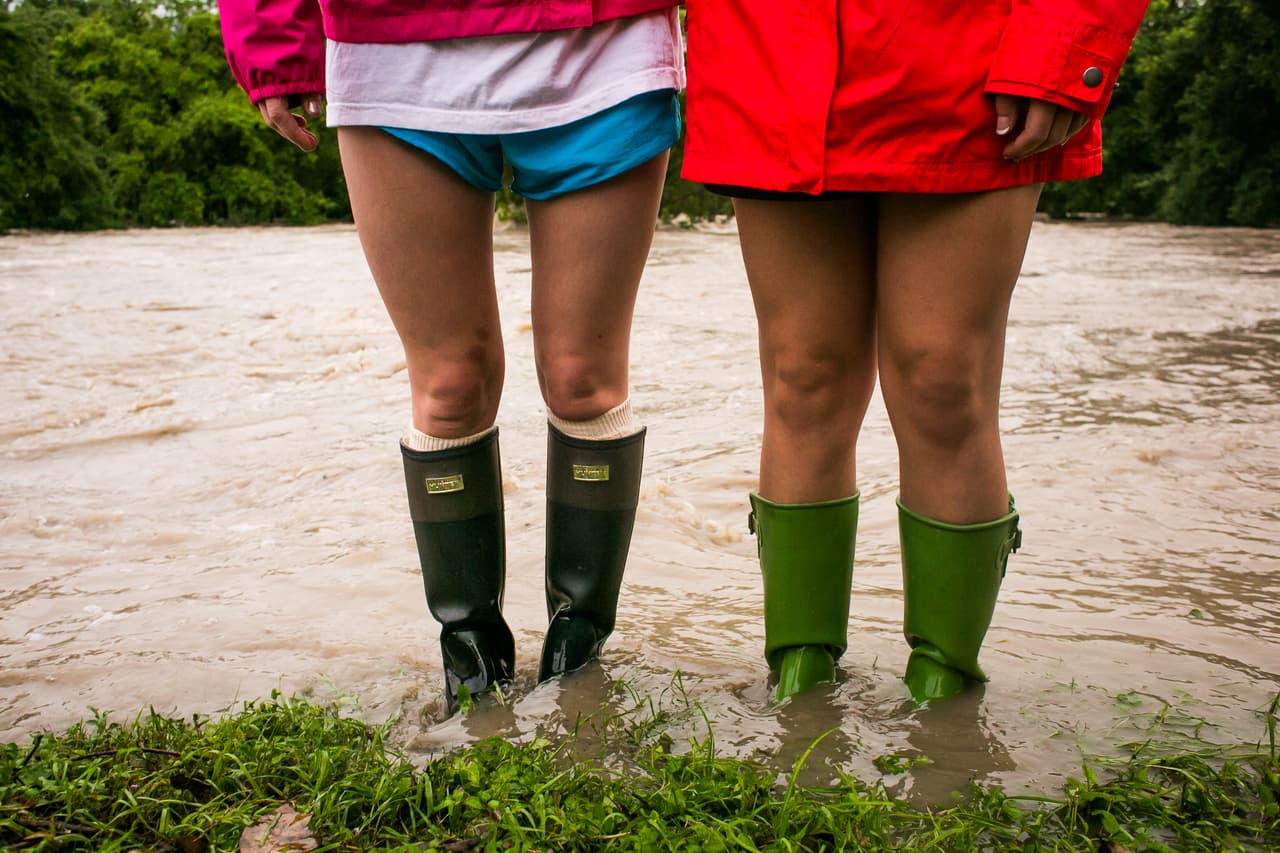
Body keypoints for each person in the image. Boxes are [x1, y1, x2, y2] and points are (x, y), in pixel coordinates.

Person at [217, 0, 684, 714]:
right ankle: (473, 683)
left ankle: (578, 677)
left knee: (582, 381)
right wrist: (270, 37)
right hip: (393, 46)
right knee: (449, 387)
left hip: (603, 42)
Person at [681, 0, 1150, 704]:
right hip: (769, 51)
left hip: (973, 61)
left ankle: (946, 692)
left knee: (941, 379)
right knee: (802, 377)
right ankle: (800, 686)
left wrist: (1063, 49)